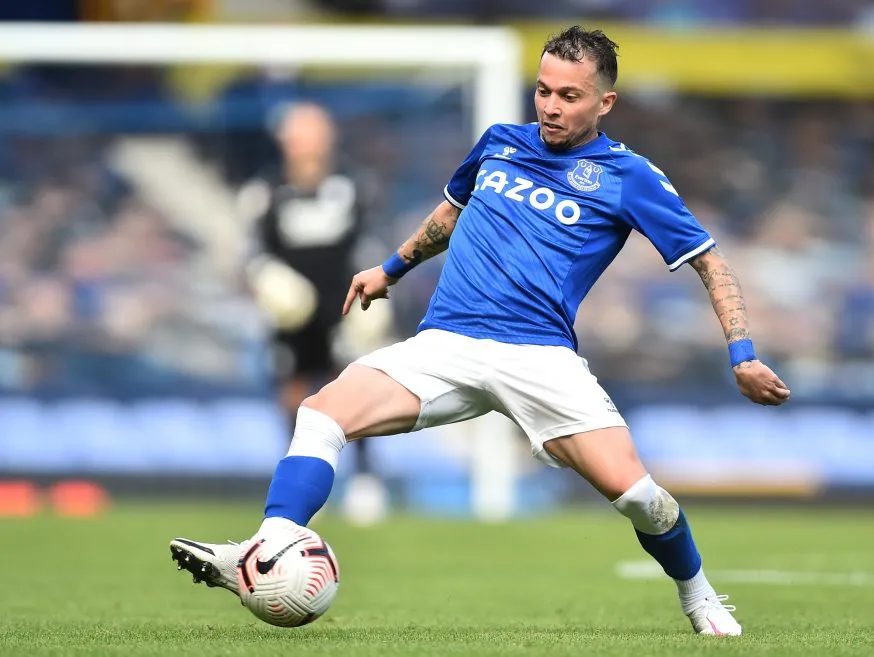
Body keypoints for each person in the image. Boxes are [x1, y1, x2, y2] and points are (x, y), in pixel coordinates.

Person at [170, 26, 790, 636]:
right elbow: (451, 211)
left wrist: (742, 355)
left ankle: (699, 595)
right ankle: (266, 548)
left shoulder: (631, 178)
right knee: (319, 413)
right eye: (543, 90)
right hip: (447, 343)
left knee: (642, 500)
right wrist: (390, 268)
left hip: (540, 358)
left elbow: (709, 260)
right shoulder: (499, 142)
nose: (550, 105)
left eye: (569, 96)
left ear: (605, 103)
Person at [238, 101, 392, 524]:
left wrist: (374, 293)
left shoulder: (353, 186)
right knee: (292, 393)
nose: (306, 143)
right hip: (292, 312)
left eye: (313, 132)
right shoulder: (265, 192)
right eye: (298, 133)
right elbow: (253, 251)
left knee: (356, 389)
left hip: (343, 303)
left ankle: (364, 479)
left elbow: (371, 239)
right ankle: (300, 485)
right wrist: (267, 278)